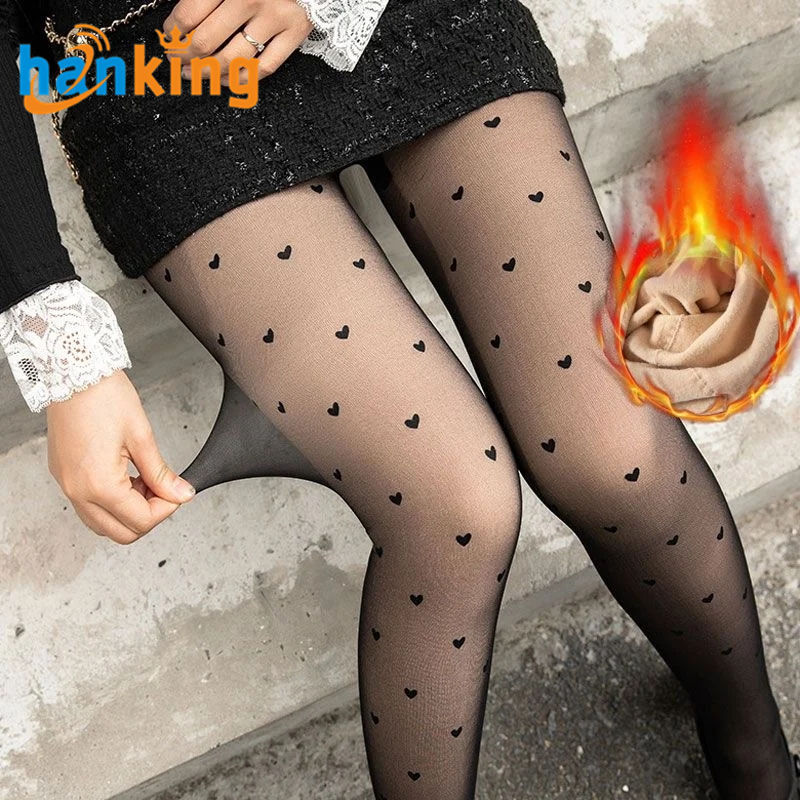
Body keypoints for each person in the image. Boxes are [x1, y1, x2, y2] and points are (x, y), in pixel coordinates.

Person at [0, 1, 797, 798]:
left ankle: (757, 761)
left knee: (614, 450)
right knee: (456, 507)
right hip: (150, 63)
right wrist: (63, 354)